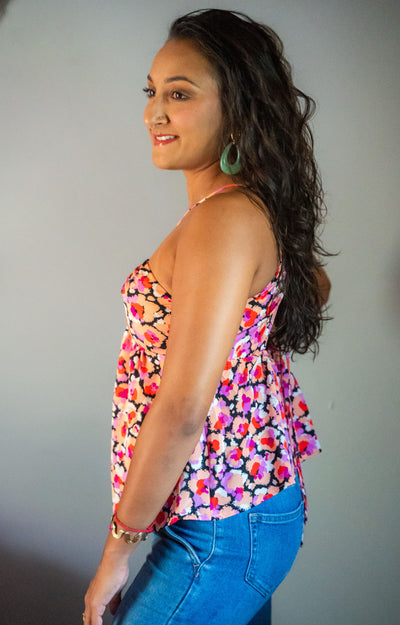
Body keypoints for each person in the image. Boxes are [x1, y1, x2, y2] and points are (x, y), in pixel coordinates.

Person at [83, 9, 330, 625]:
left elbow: (183, 408)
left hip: (222, 527)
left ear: (238, 109)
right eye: (151, 92)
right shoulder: (239, 209)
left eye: (180, 94)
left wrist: (118, 550)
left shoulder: (224, 220)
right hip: (230, 511)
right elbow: (307, 290)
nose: (154, 113)